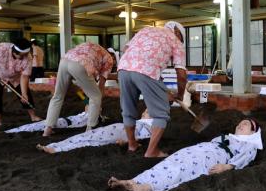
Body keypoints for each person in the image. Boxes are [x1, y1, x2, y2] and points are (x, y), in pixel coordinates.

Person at [108, 117, 262, 191]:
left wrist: (226, 166)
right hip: (198, 150)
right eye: (240, 123)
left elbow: (243, 159)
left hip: (211, 158)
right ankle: (132, 181)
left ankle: (146, 187)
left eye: (246, 124)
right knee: (168, 163)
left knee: (182, 170)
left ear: (253, 132)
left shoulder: (249, 145)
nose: (241, 124)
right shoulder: (226, 137)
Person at [117, 21, 187, 158]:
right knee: (161, 113)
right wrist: (180, 94)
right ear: (177, 32)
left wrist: (155, 77)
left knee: (128, 110)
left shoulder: (145, 30)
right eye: (181, 38)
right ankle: (151, 151)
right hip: (146, 71)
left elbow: (126, 49)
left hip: (124, 68)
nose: (181, 41)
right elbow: (181, 74)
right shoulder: (175, 41)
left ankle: (132, 145)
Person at [42, 42, 114, 137]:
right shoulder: (109, 59)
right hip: (80, 64)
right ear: (113, 57)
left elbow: (85, 80)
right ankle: (90, 128)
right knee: (96, 96)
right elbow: (101, 85)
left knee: (57, 96)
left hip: (64, 61)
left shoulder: (92, 46)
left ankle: (47, 129)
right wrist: (97, 105)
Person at [0, 38, 40, 135]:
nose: (24, 57)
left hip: (15, 76)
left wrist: (24, 94)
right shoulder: (0, 49)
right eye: (22, 56)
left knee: (25, 94)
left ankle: (33, 116)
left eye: (25, 55)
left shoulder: (28, 57)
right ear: (14, 52)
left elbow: (24, 76)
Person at [36, 110, 152, 154]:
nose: (143, 112)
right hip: (116, 128)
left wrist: (126, 142)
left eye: (146, 112)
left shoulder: (149, 127)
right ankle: (53, 146)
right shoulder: (140, 121)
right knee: (85, 135)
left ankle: (56, 149)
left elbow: (139, 139)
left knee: (91, 141)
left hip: (123, 132)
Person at [6, 106, 89, 133]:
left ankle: (9, 132)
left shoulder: (90, 117)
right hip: (63, 121)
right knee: (36, 125)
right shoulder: (85, 114)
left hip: (65, 123)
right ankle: (10, 131)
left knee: (37, 126)